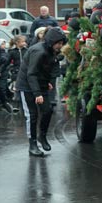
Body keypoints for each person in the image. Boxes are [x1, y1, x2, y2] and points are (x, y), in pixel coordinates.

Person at [16, 27, 67, 157]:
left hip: (40, 84)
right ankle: (32, 144)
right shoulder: (38, 51)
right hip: (27, 86)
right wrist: (37, 93)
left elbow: (50, 67)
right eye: (58, 43)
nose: (60, 46)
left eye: (62, 43)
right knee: (32, 115)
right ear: (51, 41)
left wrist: (48, 82)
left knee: (48, 110)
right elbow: (31, 73)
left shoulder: (52, 51)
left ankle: (42, 136)